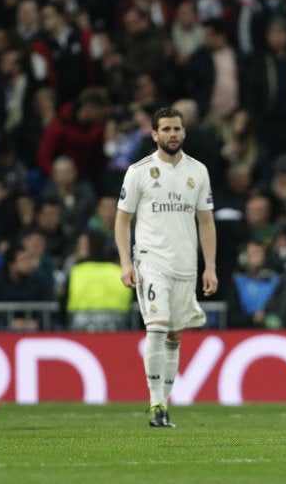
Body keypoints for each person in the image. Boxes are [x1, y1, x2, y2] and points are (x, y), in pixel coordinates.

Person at [114, 106, 218, 428]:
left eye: (177, 129)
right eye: (166, 129)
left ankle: (164, 405)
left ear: (183, 132)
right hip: (151, 260)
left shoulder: (198, 171)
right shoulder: (139, 171)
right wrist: (126, 262)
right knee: (157, 326)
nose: (173, 134)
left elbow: (206, 221)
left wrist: (209, 267)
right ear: (154, 134)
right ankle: (155, 402)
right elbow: (122, 220)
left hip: (185, 264)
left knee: (174, 335)